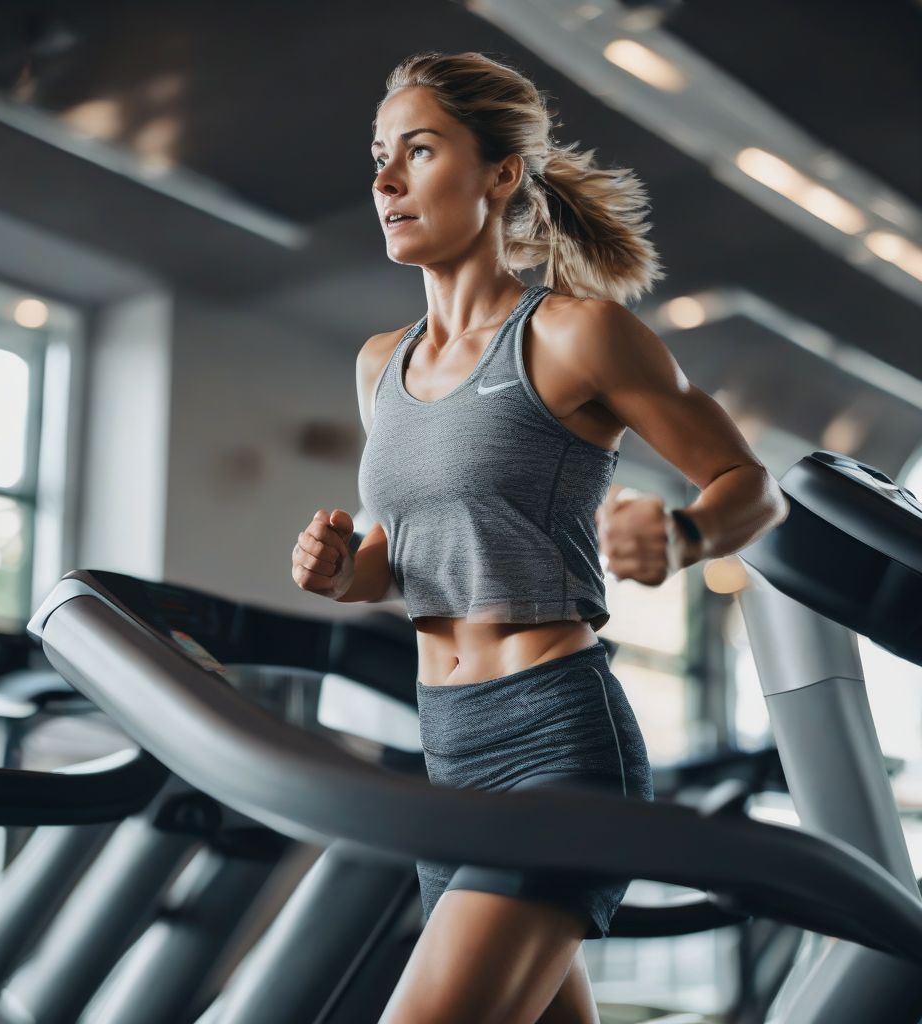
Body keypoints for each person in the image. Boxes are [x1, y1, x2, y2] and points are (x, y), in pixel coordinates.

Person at [291, 50, 788, 1024]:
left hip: (554, 740)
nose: (386, 180)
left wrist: (684, 535)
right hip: (446, 754)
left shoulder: (575, 335)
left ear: (499, 172)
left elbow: (752, 488)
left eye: (419, 151)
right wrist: (349, 570)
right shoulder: (378, 365)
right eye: (379, 156)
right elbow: (405, 554)